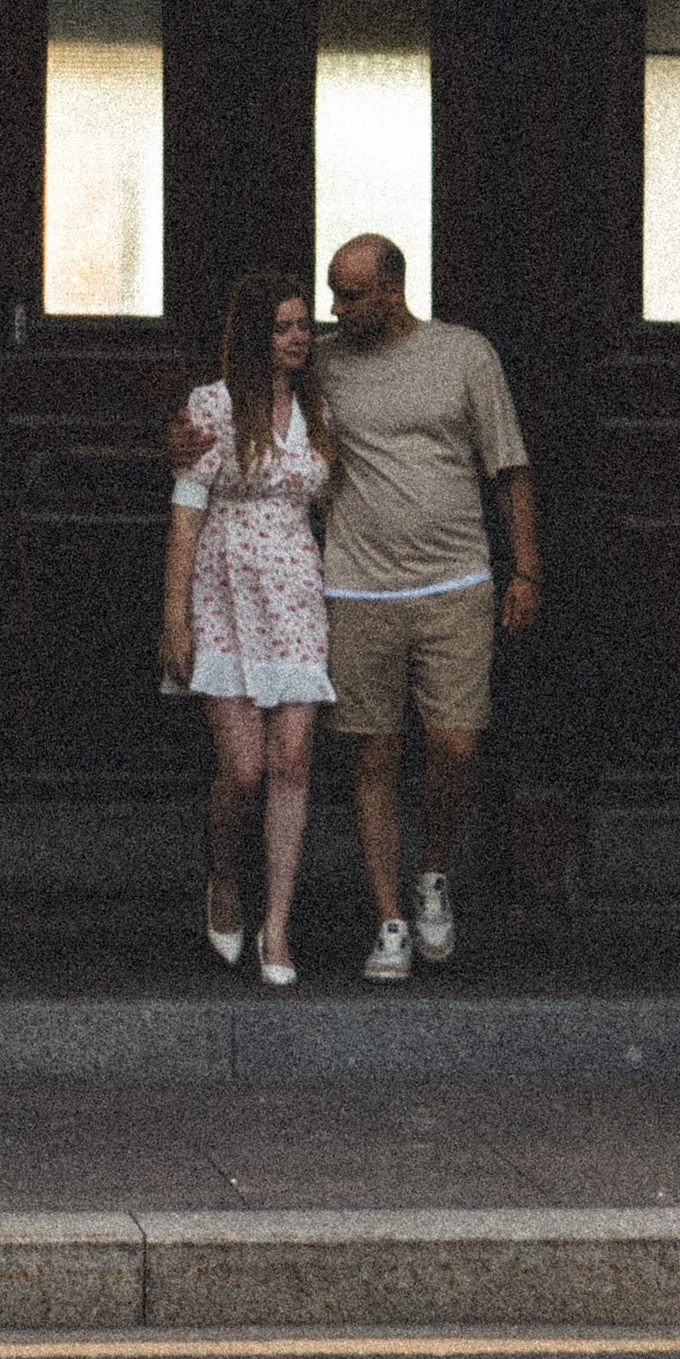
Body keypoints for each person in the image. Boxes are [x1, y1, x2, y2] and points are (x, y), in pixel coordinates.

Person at [179, 231, 540, 981]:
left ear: (392, 292)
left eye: (348, 297)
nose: (331, 315)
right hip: (350, 585)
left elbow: (511, 467)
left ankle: (430, 871)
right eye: (325, 301)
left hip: (451, 581)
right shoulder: (320, 365)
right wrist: (179, 441)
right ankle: (388, 918)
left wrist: (526, 570)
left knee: (455, 746)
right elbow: (234, 408)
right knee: (368, 754)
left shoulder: (463, 355)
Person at [158, 270, 335, 988]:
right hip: (224, 591)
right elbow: (186, 516)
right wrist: (174, 621)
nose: (298, 338)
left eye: (303, 326)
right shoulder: (214, 404)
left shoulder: (320, 406)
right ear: (256, 335)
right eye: (283, 327)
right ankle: (225, 874)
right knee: (244, 769)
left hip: (297, 593)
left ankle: (278, 925)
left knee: (292, 760)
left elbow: (329, 503)